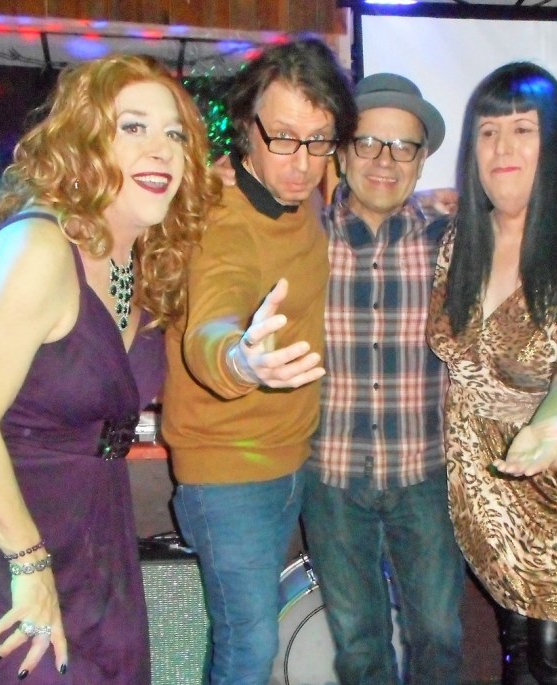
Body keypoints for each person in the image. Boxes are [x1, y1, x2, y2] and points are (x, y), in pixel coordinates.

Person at [0, 55, 219, 683]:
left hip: (81, 517)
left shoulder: (141, 263)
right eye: (132, 127)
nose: (160, 148)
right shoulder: (36, 249)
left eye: (175, 134)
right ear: (84, 143)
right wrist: (29, 564)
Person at [426, 62, 557, 685]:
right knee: (517, 640)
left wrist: (550, 423)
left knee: (554, 652)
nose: (503, 148)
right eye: (488, 132)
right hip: (485, 468)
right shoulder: (458, 243)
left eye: (523, 129)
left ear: (555, 142)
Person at [161, 37, 356, 684]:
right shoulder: (222, 218)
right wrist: (240, 362)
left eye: (319, 140)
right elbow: (212, 319)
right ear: (247, 128)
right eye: (283, 138)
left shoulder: (304, 202)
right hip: (228, 472)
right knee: (248, 647)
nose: (302, 162)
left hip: (292, 460)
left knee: (252, 635)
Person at [300, 73, 464, 685]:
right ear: (342, 153)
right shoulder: (302, 238)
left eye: (403, 147)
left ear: (421, 161)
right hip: (331, 474)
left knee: (439, 635)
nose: (386, 161)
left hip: (424, 471)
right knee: (358, 643)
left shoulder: (454, 240)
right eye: (369, 143)